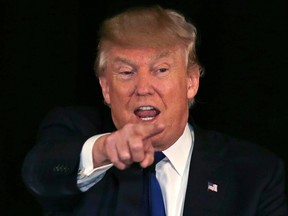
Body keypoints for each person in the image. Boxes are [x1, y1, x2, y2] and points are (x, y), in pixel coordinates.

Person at [22, 5, 287, 216]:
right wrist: (105, 149)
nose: (143, 88)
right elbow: (40, 172)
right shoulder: (71, 129)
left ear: (191, 82)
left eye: (161, 70)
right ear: (105, 87)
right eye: (126, 72)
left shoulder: (256, 174)